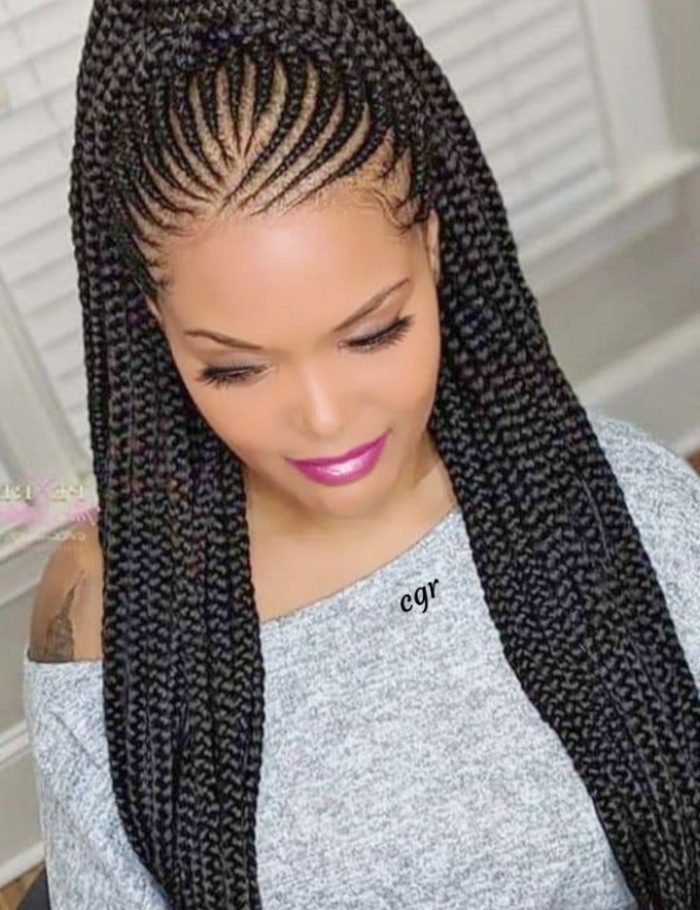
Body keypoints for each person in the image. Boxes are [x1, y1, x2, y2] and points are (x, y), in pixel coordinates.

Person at [21, 0, 700, 908]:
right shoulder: (112, 613)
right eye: (234, 368)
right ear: (155, 325)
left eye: (374, 332)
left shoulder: (629, 512)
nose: (325, 418)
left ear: (433, 246)